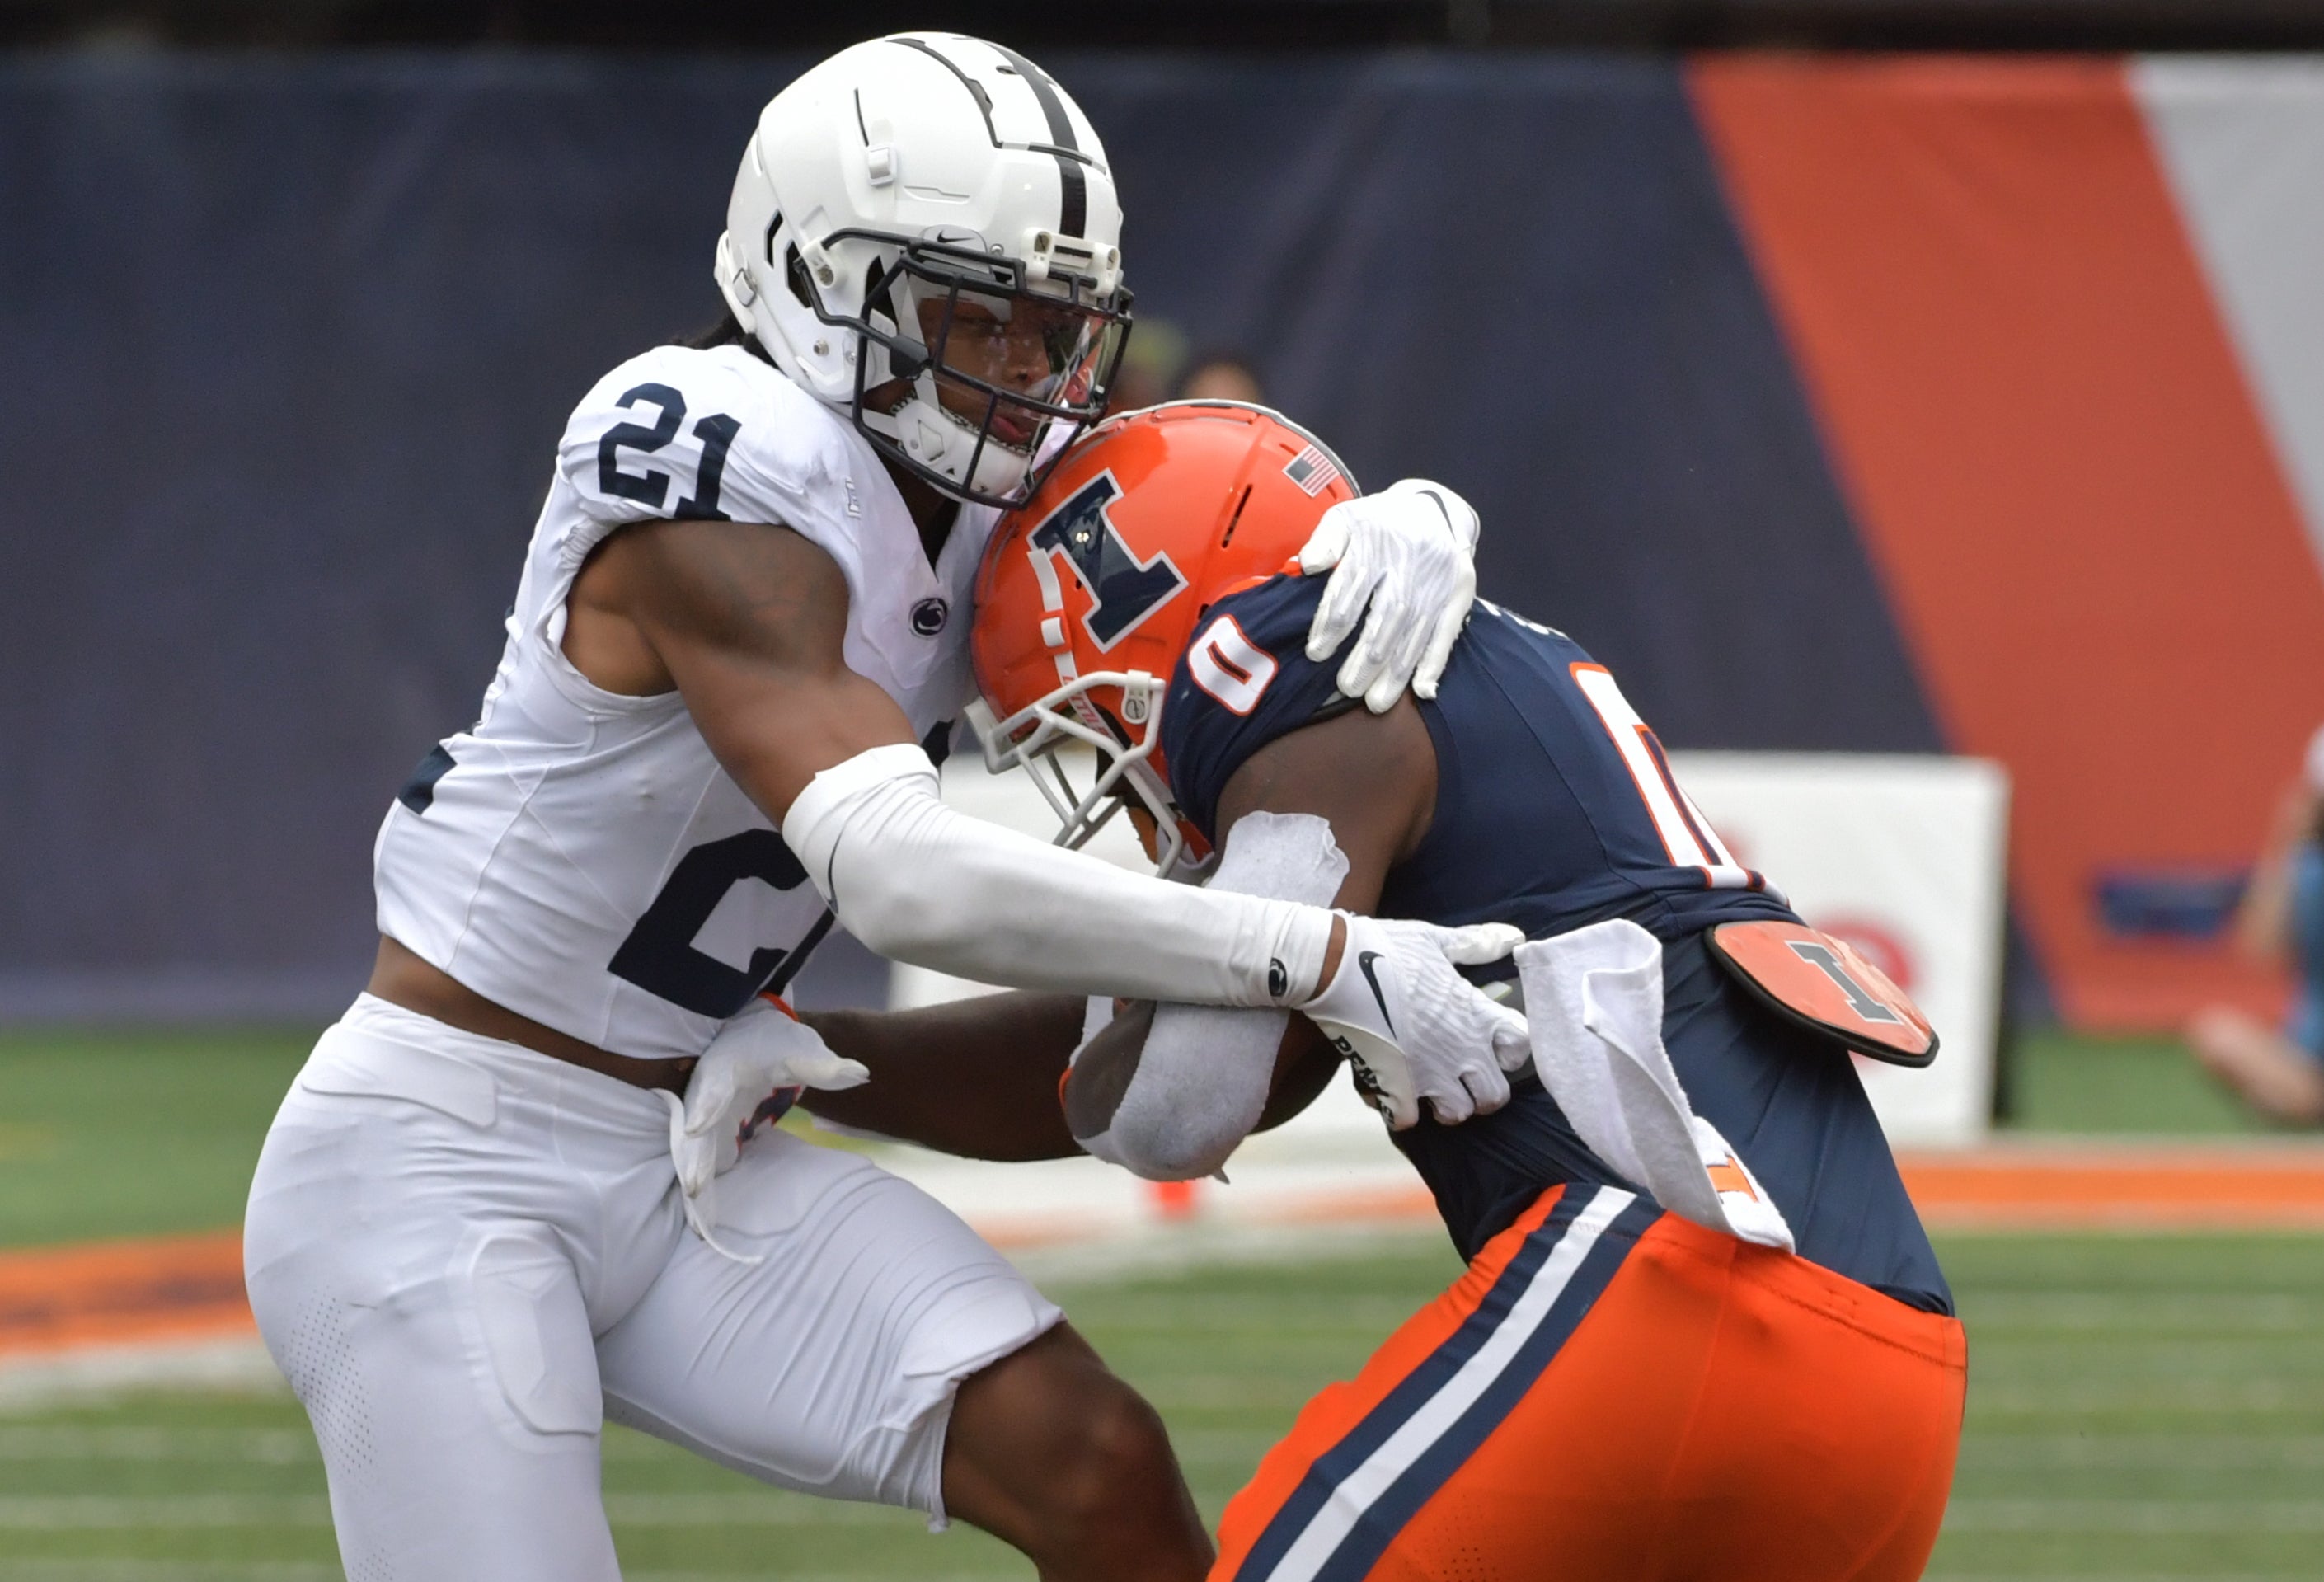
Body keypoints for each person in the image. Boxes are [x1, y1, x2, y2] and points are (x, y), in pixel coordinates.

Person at [240, 35, 1526, 1582]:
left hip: (687, 1130)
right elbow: (898, 878)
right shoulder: (707, 448)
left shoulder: (982, 489)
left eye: (1051, 325)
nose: (1018, 368)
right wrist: (1304, 953)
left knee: (1094, 1463)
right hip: (435, 1147)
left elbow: (1226, 519)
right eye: (968, 312)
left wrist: (1396, 516)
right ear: (807, 274)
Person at [804, 401, 1969, 1581]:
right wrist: (827, 1056)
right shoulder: (1471, 666)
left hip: (1676, 1287)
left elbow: (1183, 1103)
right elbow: (1127, 1054)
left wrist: (1146, 988)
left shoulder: (1292, 664)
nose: (1111, 766)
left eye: (1095, 716)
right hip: (1890, 1378)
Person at [2186, 725, 2324, 1125]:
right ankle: (2303, 1100)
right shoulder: (2304, 871)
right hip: (2308, 1060)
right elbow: (2259, 947)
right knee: (2217, 1032)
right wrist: (2284, 842)